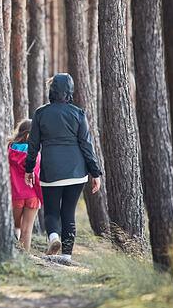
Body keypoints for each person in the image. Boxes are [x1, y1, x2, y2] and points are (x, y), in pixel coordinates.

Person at [25, 73, 103, 258]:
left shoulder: (41, 113)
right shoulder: (78, 113)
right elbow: (86, 145)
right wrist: (95, 173)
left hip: (51, 171)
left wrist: (29, 169)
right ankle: (66, 256)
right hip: (76, 172)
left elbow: (33, 145)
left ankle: (53, 238)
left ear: (52, 90)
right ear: (70, 91)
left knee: (51, 211)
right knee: (68, 213)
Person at [8, 119, 43, 252]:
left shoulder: (9, 150)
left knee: (15, 227)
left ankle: (14, 255)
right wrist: (41, 197)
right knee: (27, 230)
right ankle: (25, 260)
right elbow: (37, 177)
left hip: (15, 195)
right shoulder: (35, 154)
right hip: (32, 196)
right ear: (29, 135)